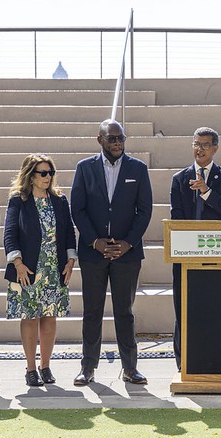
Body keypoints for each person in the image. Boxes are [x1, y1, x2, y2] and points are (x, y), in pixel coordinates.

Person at [70, 119, 153, 386]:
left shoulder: (137, 169)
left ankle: (130, 367)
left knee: (124, 311)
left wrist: (128, 242)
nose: (117, 143)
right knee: (92, 311)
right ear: (100, 140)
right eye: (112, 139)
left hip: (127, 254)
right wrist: (95, 242)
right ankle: (88, 367)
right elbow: (78, 209)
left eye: (121, 139)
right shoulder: (85, 168)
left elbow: (145, 210)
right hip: (94, 253)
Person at [4, 154, 77, 387]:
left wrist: (70, 261)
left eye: (50, 173)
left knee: (50, 316)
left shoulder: (59, 200)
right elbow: (10, 234)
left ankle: (46, 366)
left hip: (54, 268)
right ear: (31, 176)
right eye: (43, 173)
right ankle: (31, 368)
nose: (48, 177)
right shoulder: (19, 200)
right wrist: (18, 264)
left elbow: (68, 233)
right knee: (30, 317)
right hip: (28, 269)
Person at [169, 127, 221, 371]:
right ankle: (182, 362)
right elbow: (176, 219)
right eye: (196, 144)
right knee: (184, 307)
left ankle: (215, 360)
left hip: (217, 252)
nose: (199, 149)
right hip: (186, 254)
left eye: (205, 145)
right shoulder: (180, 179)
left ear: (215, 148)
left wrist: (207, 192)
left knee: (214, 306)